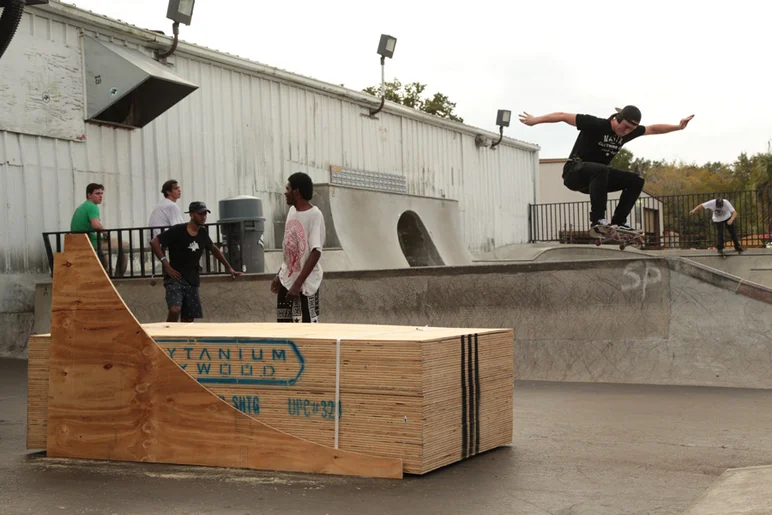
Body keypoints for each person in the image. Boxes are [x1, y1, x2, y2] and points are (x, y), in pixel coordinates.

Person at [519, 106, 694, 236]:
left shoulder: (628, 132)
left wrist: (678, 127)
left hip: (596, 180)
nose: (626, 132)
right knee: (601, 169)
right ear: (617, 118)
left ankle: (618, 222)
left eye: (631, 130)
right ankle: (598, 220)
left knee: (636, 180)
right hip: (574, 173)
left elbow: (652, 129)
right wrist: (535, 120)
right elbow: (562, 116)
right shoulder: (595, 123)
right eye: (625, 127)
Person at [149, 201, 242, 323]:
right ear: (192, 214)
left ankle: (184, 335)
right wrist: (166, 265)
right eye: (200, 214)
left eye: (205, 214)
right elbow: (154, 242)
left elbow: (213, 249)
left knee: (188, 318)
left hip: (192, 278)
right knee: (175, 309)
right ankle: (169, 331)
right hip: (175, 277)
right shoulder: (178, 230)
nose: (203, 217)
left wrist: (229, 268)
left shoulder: (202, 233)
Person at [270, 172, 326, 323]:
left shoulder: (314, 215)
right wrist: (279, 274)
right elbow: (290, 250)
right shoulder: (292, 212)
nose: (285, 193)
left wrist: (297, 285)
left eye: (287, 189)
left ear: (296, 192)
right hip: (287, 280)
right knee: (284, 327)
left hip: (305, 285)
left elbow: (315, 252)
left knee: (307, 329)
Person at [70, 183, 128, 276]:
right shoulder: (92, 206)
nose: (100, 196)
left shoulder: (83, 206)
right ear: (89, 195)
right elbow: (96, 225)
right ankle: (119, 275)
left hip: (80, 241)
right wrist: (105, 233)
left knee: (104, 253)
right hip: (90, 242)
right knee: (124, 245)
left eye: (101, 193)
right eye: (97, 193)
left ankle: (106, 275)